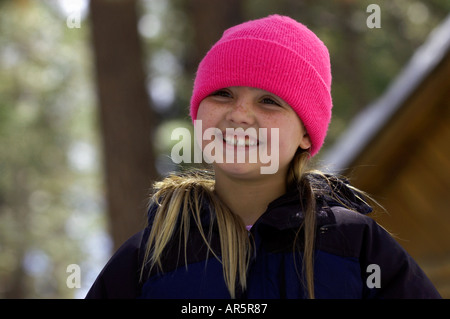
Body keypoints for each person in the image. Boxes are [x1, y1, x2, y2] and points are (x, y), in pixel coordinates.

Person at [86, 15, 441, 299]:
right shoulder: (150, 256)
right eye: (223, 93)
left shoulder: (354, 244)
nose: (240, 115)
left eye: (269, 101)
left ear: (306, 134)